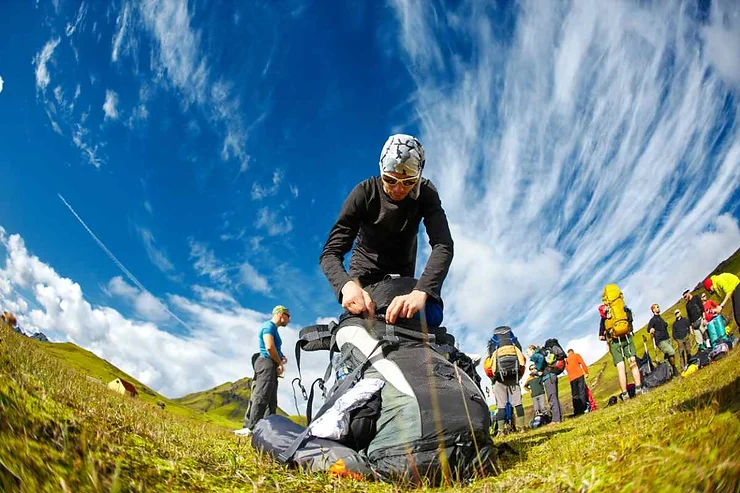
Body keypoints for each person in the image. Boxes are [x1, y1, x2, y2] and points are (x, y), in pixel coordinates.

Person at [319, 134, 453, 326]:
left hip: (403, 281)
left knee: (431, 314)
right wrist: (346, 286)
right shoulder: (364, 193)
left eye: (408, 182)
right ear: (382, 170)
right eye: (390, 180)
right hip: (365, 282)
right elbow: (331, 252)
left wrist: (421, 290)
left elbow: (443, 245)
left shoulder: (426, 193)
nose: (398, 189)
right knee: (365, 326)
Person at [244, 305, 291, 431]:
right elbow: (269, 347)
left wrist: (281, 357)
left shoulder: (274, 329)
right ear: (281, 315)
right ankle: (251, 428)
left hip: (271, 363)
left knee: (271, 401)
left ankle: (266, 430)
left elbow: (273, 348)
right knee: (261, 395)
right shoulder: (268, 326)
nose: (289, 320)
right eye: (288, 316)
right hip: (266, 363)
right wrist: (279, 363)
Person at [598, 303, 646, 401]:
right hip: (627, 337)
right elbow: (630, 321)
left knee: (621, 368)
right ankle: (638, 388)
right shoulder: (622, 309)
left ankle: (625, 394)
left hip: (615, 342)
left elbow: (600, 337)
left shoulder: (605, 316)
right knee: (633, 363)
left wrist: (609, 336)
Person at [528, 345, 562, 422]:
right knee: (554, 398)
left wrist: (539, 369)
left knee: (552, 398)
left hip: (549, 378)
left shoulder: (536, 355)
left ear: (532, 350)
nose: (527, 354)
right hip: (551, 376)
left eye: (528, 352)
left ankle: (556, 420)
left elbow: (541, 358)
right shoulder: (540, 353)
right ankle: (558, 418)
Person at [647, 304, 678, 377]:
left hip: (667, 338)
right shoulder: (653, 320)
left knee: (667, 357)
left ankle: (668, 373)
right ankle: (674, 369)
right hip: (660, 340)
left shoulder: (660, 318)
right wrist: (651, 329)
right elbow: (648, 328)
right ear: (653, 310)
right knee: (671, 352)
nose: (658, 308)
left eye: (658, 307)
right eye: (657, 307)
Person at [565, 349, 589, 416]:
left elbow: (566, 369)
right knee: (582, 392)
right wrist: (586, 372)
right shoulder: (576, 355)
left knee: (575, 394)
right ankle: (584, 408)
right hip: (579, 375)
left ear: (568, 353)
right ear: (573, 351)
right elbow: (582, 363)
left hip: (572, 378)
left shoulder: (566, 360)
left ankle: (577, 410)